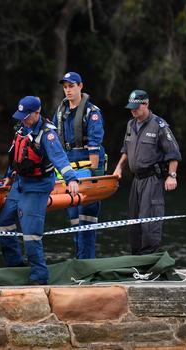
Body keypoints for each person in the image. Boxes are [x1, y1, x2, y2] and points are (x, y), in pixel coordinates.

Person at [0, 96, 79, 284]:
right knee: (4, 222)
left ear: (37, 113)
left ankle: (39, 276)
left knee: (31, 233)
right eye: (21, 116)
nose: (23, 119)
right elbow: (15, 156)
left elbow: (59, 158)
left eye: (26, 116)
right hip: (20, 183)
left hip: (38, 186)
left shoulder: (47, 134)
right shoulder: (21, 128)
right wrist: (9, 176)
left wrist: (71, 179)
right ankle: (15, 267)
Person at [112, 89, 181, 255]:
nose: (133, 110)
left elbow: (174, 153)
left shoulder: (159, 125)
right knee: (134, 222)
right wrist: (119, 167)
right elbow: (126, 150)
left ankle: (150, 258)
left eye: (136, 107)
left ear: (146, 104)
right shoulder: (130, 124)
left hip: (152, 179)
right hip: (136, 180)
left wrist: (172, 176)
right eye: (131, 107)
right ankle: (137, 258)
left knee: (149, 221)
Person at [53, 71, 105, 259]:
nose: (68, 90)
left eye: (71, 86)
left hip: (86, 171)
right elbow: (54, 145)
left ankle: (86, 261)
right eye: (65, 87)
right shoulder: (60, 113)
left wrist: (92, 177)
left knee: (87, 218)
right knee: (74, 218)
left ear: (80, 86)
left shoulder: (92, 113)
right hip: (69, 173)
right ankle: (78, 258)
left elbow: (94, 146)